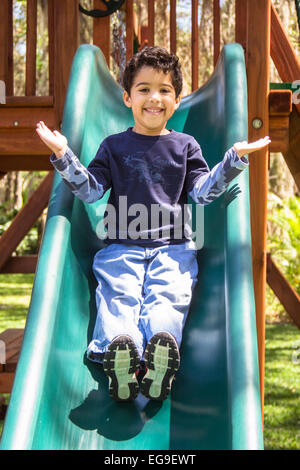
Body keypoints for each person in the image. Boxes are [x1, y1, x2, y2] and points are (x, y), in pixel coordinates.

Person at [36, 46, 270, 403]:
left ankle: (160, 355)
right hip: (120, 247)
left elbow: (203, 193)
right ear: (127, 98)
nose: (154, 98)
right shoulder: (113, 145)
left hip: (174, 249)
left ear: (176, 101)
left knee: (168, 298)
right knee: (119, 297)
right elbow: (92, 190)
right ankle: (122, 358)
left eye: (164, 90)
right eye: (144, 89)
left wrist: (233, 159)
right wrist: (63, 155)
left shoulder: (185, 145)